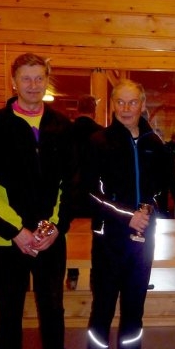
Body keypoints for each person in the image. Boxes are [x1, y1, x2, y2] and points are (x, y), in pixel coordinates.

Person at [0, 52, 77, 349]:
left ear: (47, 81)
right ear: (14, 82)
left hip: (50, 238)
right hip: (10, 240)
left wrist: (53, 228)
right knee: (10, 311)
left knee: (52, 307)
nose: (33, 85)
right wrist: (16, 232)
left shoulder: (61, 126)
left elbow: (70, 184)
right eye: (26, 78)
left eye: (39, 78)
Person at [84, 79, 166, 349]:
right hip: (109, 240)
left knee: (134, 309)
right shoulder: (98, 142)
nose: (127, 108)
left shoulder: (154, 143)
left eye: (133, 102)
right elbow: (90, 193)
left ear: (143, 104)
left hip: (143, 240)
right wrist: (127, 215)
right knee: (103, 310)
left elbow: (162, 188)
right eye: (121, 102)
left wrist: (149, 208)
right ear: (112, 104)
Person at [65, 94, 103, 290]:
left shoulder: (66, 131)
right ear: (94, 111)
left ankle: (72, 276)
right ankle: (95, 278)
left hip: (70, 192)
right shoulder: (101, 133)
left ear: (78, 109)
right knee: (96, 236)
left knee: (71, 236)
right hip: (94, 193)